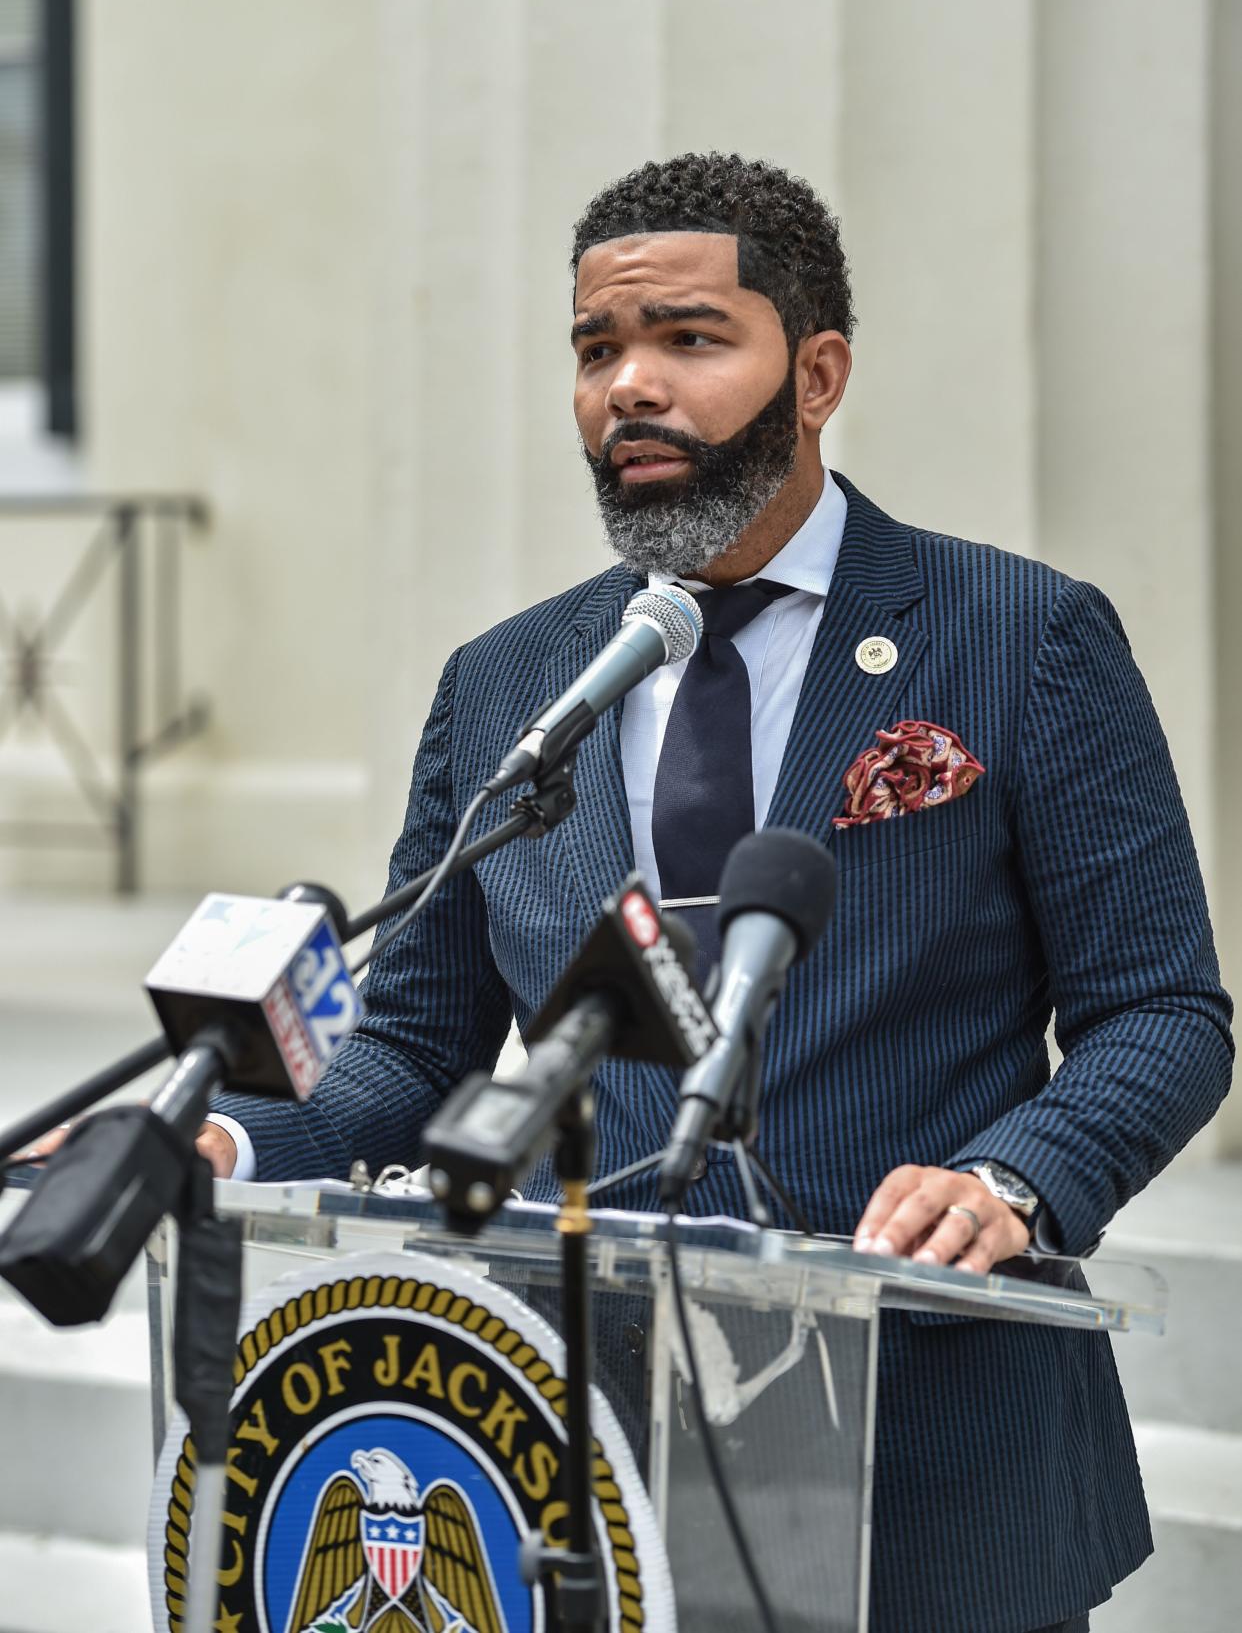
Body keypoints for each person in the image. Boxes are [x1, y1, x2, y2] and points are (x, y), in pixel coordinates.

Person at [36, 154, 1234, 1631]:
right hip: (572, 1444)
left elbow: (1159, 1009)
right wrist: (212, 1132)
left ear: (817, 370)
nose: (629, 387)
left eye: (687, 338)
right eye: (597, 350)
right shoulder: (511, 687)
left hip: (934, 1449)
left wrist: (1010, 1176)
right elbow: (413, 1051)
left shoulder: (1016, 634)